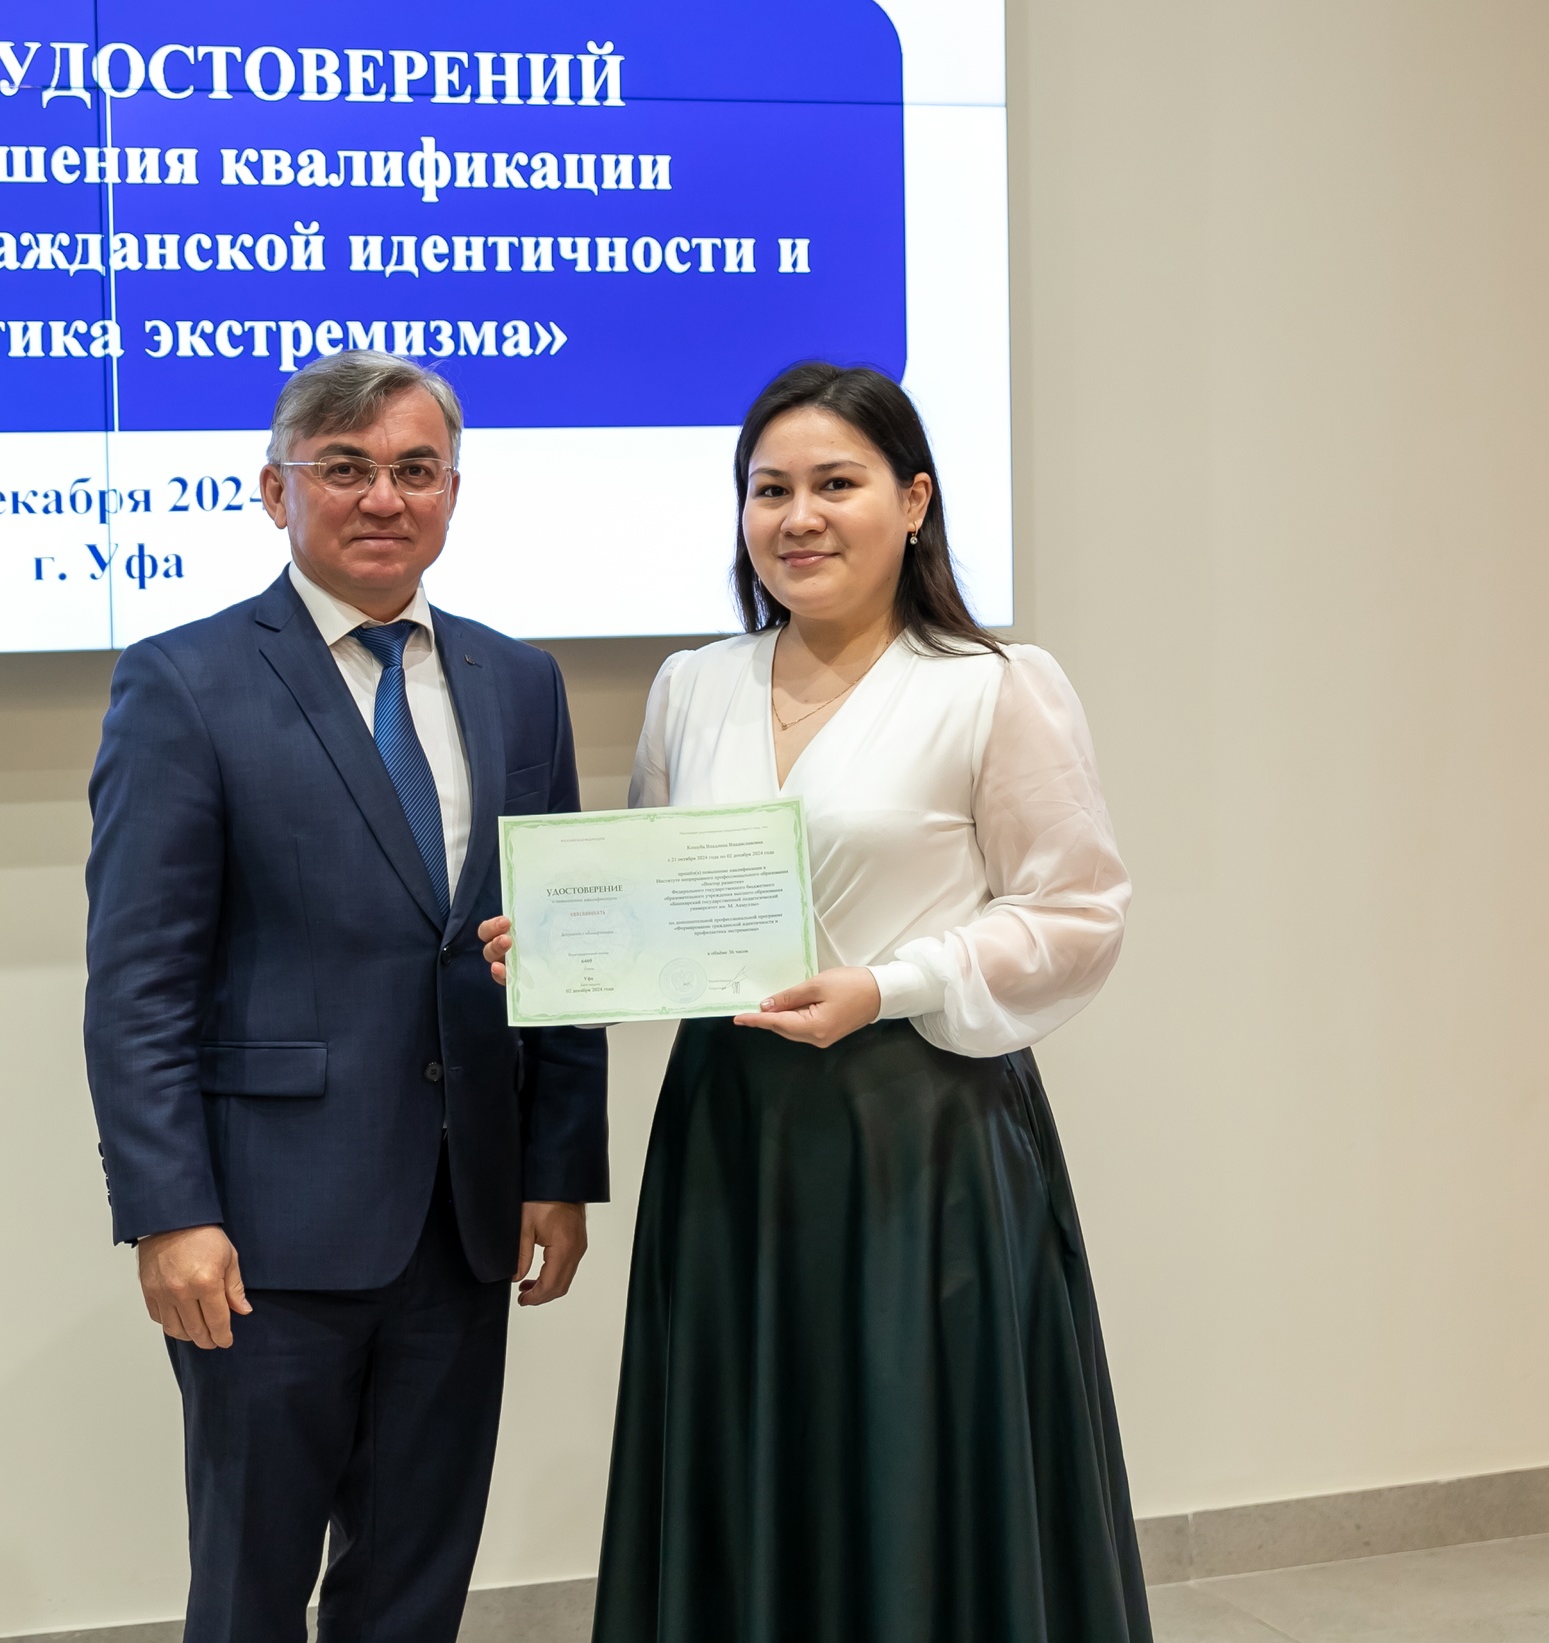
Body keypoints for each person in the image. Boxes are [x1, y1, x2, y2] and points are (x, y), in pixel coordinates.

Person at [482, 361, 1151, 1641]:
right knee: (745, 1451)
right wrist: (566, 942)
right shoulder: (695, 685)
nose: (798, 518)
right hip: (729, 1131)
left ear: (914, 502)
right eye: (768, 490)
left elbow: (1078, 912)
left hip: (921, 1133)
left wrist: (890, 985)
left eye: (835, 484)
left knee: (914, 1457)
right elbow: (666, 900)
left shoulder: (993, 683)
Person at [83, 349, 611, 1643]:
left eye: (416, 469)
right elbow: (139, 979)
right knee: (251, 1587)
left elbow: (562, 944)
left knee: (414, 1582)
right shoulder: (184, 680)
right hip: (264, 1231)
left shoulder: (519, 682)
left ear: (452, 492)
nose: (385, 497)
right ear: (277, 491)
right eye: (346, 468)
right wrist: (169, 1212)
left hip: (462, 1217)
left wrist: (558, 1167)